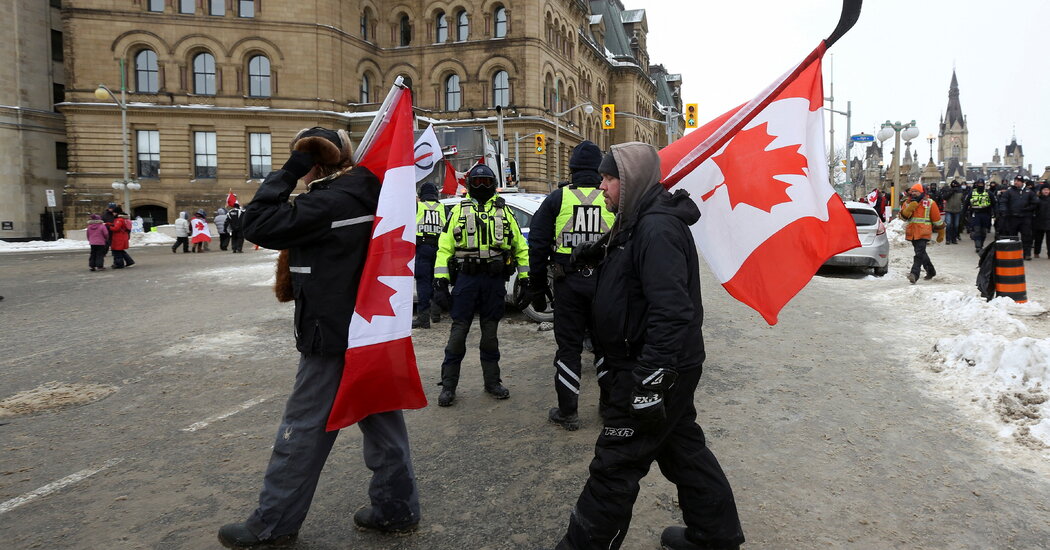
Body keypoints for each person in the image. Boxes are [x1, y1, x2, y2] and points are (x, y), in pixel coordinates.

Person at [218, 127, 421, 548]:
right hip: (370, 328)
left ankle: (272, 523)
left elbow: (256, 223)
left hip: (330, 334)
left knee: (303, 429)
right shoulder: (370, 192)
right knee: (382, 422)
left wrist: (291, 168)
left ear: (314, 163)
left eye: (305, 162)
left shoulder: (330, 201)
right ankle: (395, 509)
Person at [555, 142, 744, 550]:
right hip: (648, 363)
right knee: (683, 451)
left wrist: (650, 380)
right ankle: (715, 536)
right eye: (603, 177)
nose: (601, 186)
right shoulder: (635, 223)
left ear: (632, 181)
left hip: (652, 367)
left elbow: (673, 311)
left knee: (616, 463)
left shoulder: (656, 229)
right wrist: (588, 256)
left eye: (610, 178)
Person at [527, 140, 614, 431]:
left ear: (572, 169)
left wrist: (537, 289)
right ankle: (609, 407)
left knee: (568, 349)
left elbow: (537, 245)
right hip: (604, 283)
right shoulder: (611, 196)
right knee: (606, 347)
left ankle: (568, 412)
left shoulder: (557, 198)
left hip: (569, 285)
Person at [432, 164, 529, 407]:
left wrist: (526, 279)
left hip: (494, 281)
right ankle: (448, 385)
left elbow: (520, 246)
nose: (482, 187)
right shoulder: (458, 211)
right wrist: (440, 281)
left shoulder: (505, 211)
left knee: (490, 335)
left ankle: (492, 382)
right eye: (477, 183)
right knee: (458, 333)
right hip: (467, 280)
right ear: (469, 185)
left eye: (487, 182)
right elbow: (444, 248)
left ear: (493, 184)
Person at [413, 182, 445, 329]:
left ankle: (423, 318)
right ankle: (436, 314)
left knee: (423, 283)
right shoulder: (443, 208)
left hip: (423, 248)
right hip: (439, 250)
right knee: (437, 282)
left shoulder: (418, 207)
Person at [900, 182, 945, 284]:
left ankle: (914, 274)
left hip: (924, 232)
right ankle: (931, 271)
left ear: (921, 192)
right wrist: (910, 207)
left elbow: (936, 219)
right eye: (912, 191)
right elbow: (902, 217)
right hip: (912, 232)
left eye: (916, 191)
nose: (914, 193)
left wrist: (941, 231)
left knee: (919, 254)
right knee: (921, 253)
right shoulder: (907, 203)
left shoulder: (930, 203)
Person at [1001, 175, 1038, 260]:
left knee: (1027, 236)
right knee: (1012, 237)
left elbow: (1035, 202)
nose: (1016, 182)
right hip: (1013, 217)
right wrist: (1004, 210)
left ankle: (1027, 254)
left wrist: (1028, 209)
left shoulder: (1029, 192)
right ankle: (1013, 254)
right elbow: (1003, 202)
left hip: (1025, 218)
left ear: (1022, 182)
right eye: (1015, 181)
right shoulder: (1009, 192)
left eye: (1018, 181)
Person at [965, 179, 994, 252]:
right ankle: (978, 246)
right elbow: (966, 203)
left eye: (982, 184)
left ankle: (981, 244)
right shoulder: (972, 193)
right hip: (976, 213)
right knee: (977, 230)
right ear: (977, 184)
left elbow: (994, 203)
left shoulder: (988, 193)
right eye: (979, 184)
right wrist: (963, 214)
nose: (980, 185)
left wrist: (995, 213)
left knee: (983, 231)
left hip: (985, 214)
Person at [940, 180, 965, 244]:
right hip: (949, 210)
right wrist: (951, 192)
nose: (954, 186)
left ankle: (954, 238)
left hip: (957, 210)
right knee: (948, 225)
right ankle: (948, 239)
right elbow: (944, 197)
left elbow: (963, 200)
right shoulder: (948, 190)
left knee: (956, 225)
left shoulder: (960, 191)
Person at [1033, 185, 1050, 258]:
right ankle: (1036, 252)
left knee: (1049, 240)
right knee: (1038, 239)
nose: (1046, 191)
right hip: (1039, 221)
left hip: (1049, 222)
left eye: (1047, 190)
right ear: (1041, 191)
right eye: (1044, 190)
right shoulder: (1037, 200)